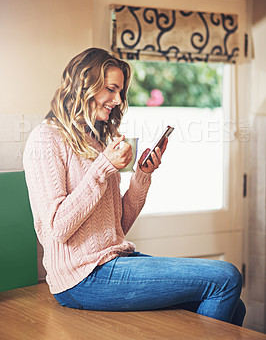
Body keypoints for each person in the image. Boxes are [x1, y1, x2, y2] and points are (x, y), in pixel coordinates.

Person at [23, 48, 246, 325]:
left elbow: (119, 227)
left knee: (236, 306)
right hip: (81, 277)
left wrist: (141, 176)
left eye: (120, 92)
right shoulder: (46, 139)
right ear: (84, 85)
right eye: (111, 89)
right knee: (226, 278)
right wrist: (104, 166)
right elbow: (57, 228)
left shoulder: (96, 141)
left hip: (111, 262)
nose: (117, 100)